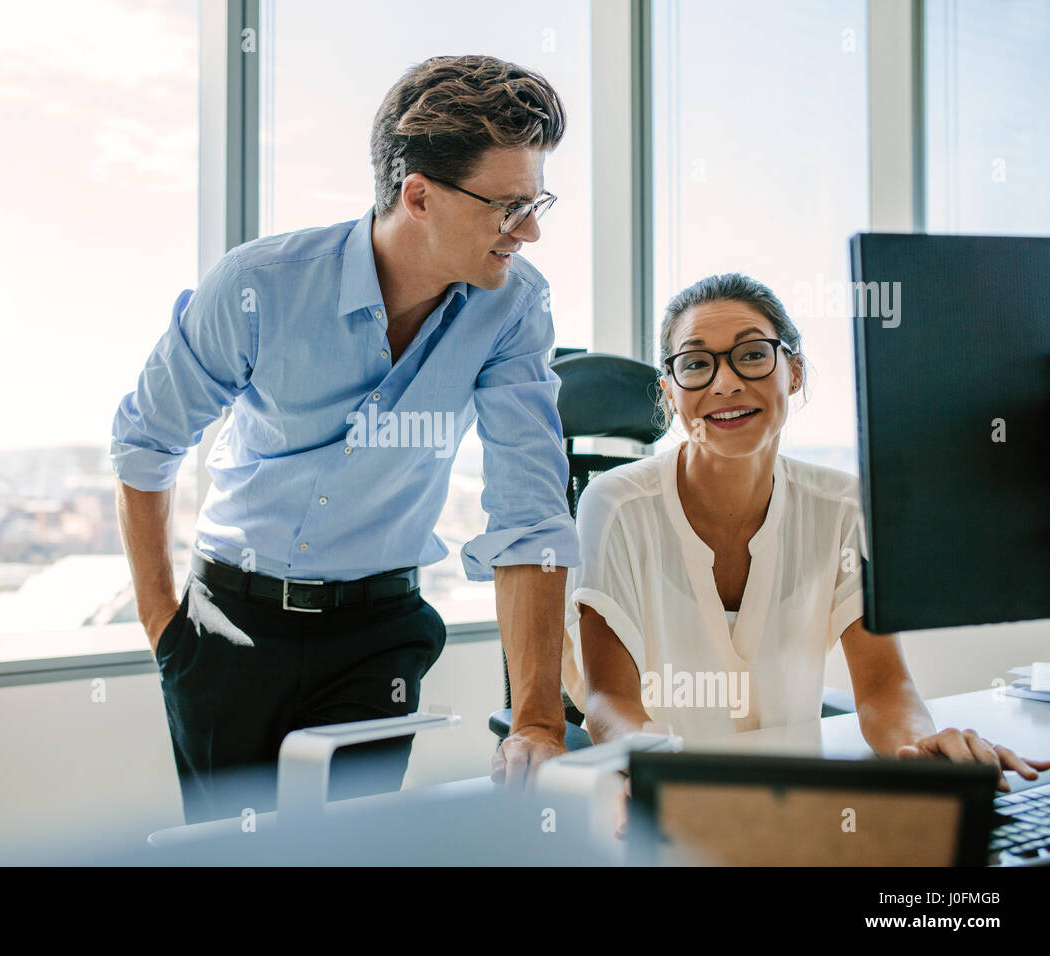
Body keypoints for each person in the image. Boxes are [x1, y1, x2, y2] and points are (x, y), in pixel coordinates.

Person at [111, 55, 580, 823]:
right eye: (507, 207)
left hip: (378, 632)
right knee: (233, 856)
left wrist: (536, 718)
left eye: (536, 203)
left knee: (349, 848)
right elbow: (145, 442)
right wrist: (164, 626)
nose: (528, 231)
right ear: (420, 195)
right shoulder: (260, 285)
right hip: (229, 627)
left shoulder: (514, 308)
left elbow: (529, 513)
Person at [565, 272, 1049, 789]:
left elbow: (883, 687)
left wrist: (918, 746)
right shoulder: (614, 505)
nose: (725, 383)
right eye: (696, 364)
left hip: (789, 806)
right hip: (655, 803)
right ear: (670, 392)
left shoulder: (843, 507)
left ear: (793, 372)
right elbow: (609, 699)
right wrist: (664, 775)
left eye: (752, 354)